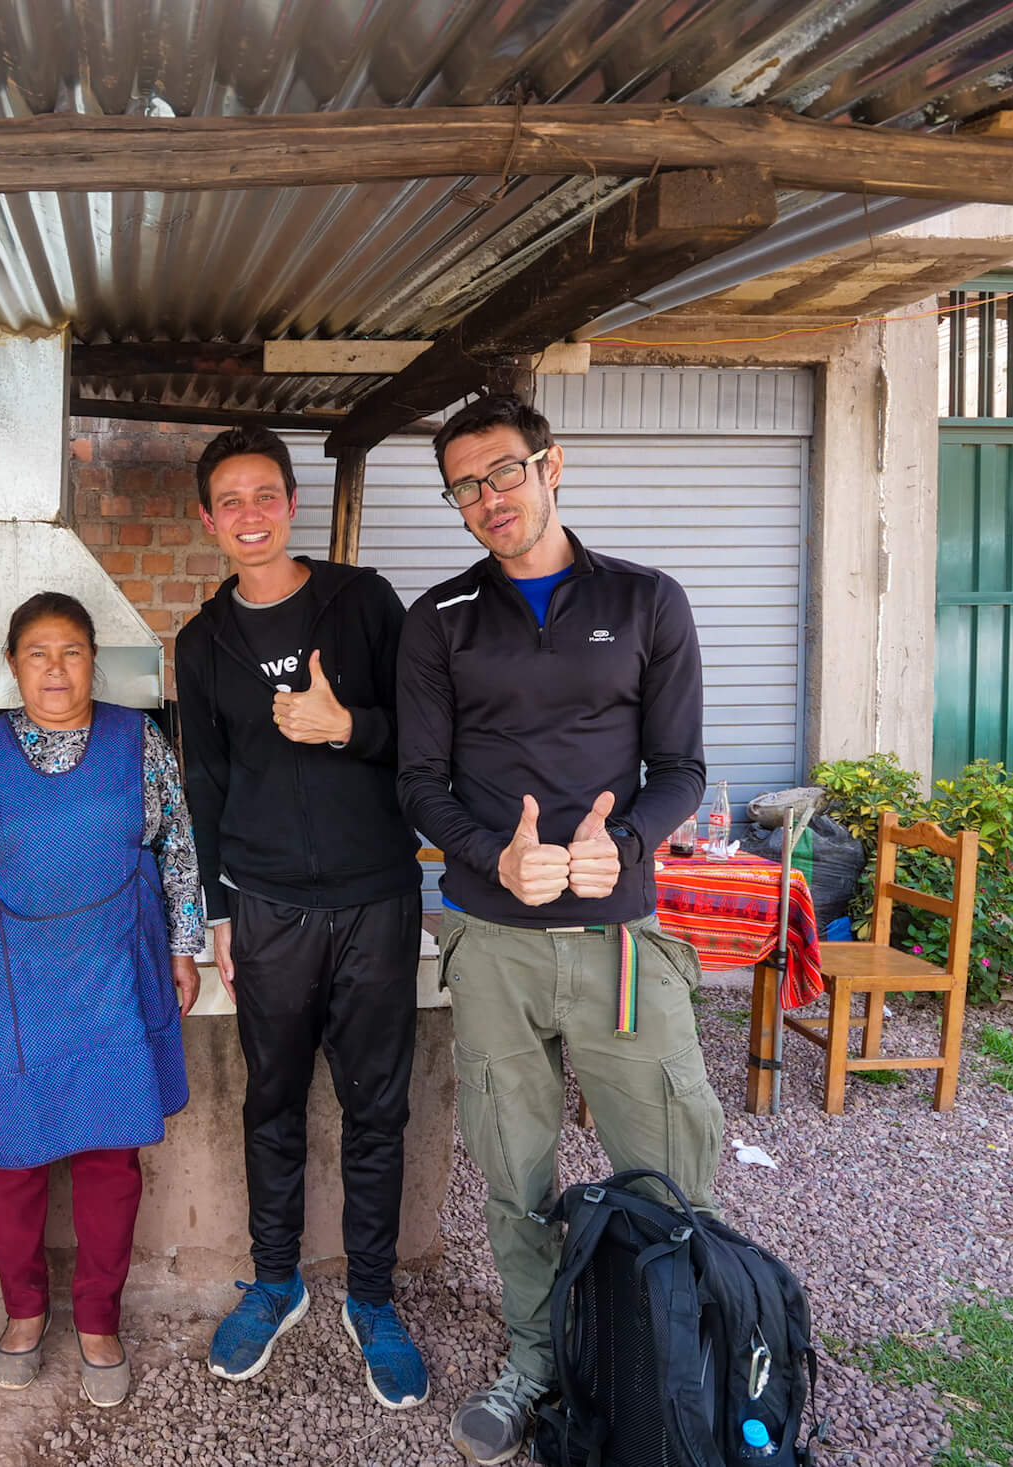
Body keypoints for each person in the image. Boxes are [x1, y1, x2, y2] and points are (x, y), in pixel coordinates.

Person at [396, 395, 722, 1466]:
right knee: (512, 1166)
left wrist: (619, 845)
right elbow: (419, 786)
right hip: (490, 943)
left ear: (551, 466)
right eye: (463, 487)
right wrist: (496, 854)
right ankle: (533, 1356)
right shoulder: (438, 619)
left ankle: (676, 1361)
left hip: (620, 941)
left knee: (667, 1161)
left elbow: (679, 772)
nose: (486, 500)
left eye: (502, 474)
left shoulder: (645, 602)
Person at [174, 427, 428, 1410]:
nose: (249, 514)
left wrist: (348, 727)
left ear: (291, 503)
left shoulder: (360, 602)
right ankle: (274, 1280)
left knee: (376, 1107)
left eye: (265, 495)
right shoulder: (203, 642)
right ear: (209, 520)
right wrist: (216, 911)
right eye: (229, 500)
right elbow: (205, 779)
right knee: (270, 1103)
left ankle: (371, 1296)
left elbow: (429, 735)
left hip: (374, 898)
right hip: (267, 906)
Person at [0, 592, 202, 1409]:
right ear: (12, 664)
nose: (55, 667)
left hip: (114, 969)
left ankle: (99, 1317)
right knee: (10, 1158)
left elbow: (176, 845)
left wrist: (182, 947)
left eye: (72, 650)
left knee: (112, 1157)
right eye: (37, 652)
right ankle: (24, 1309)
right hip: (9, 980)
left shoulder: (136, 741)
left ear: (93, 660)